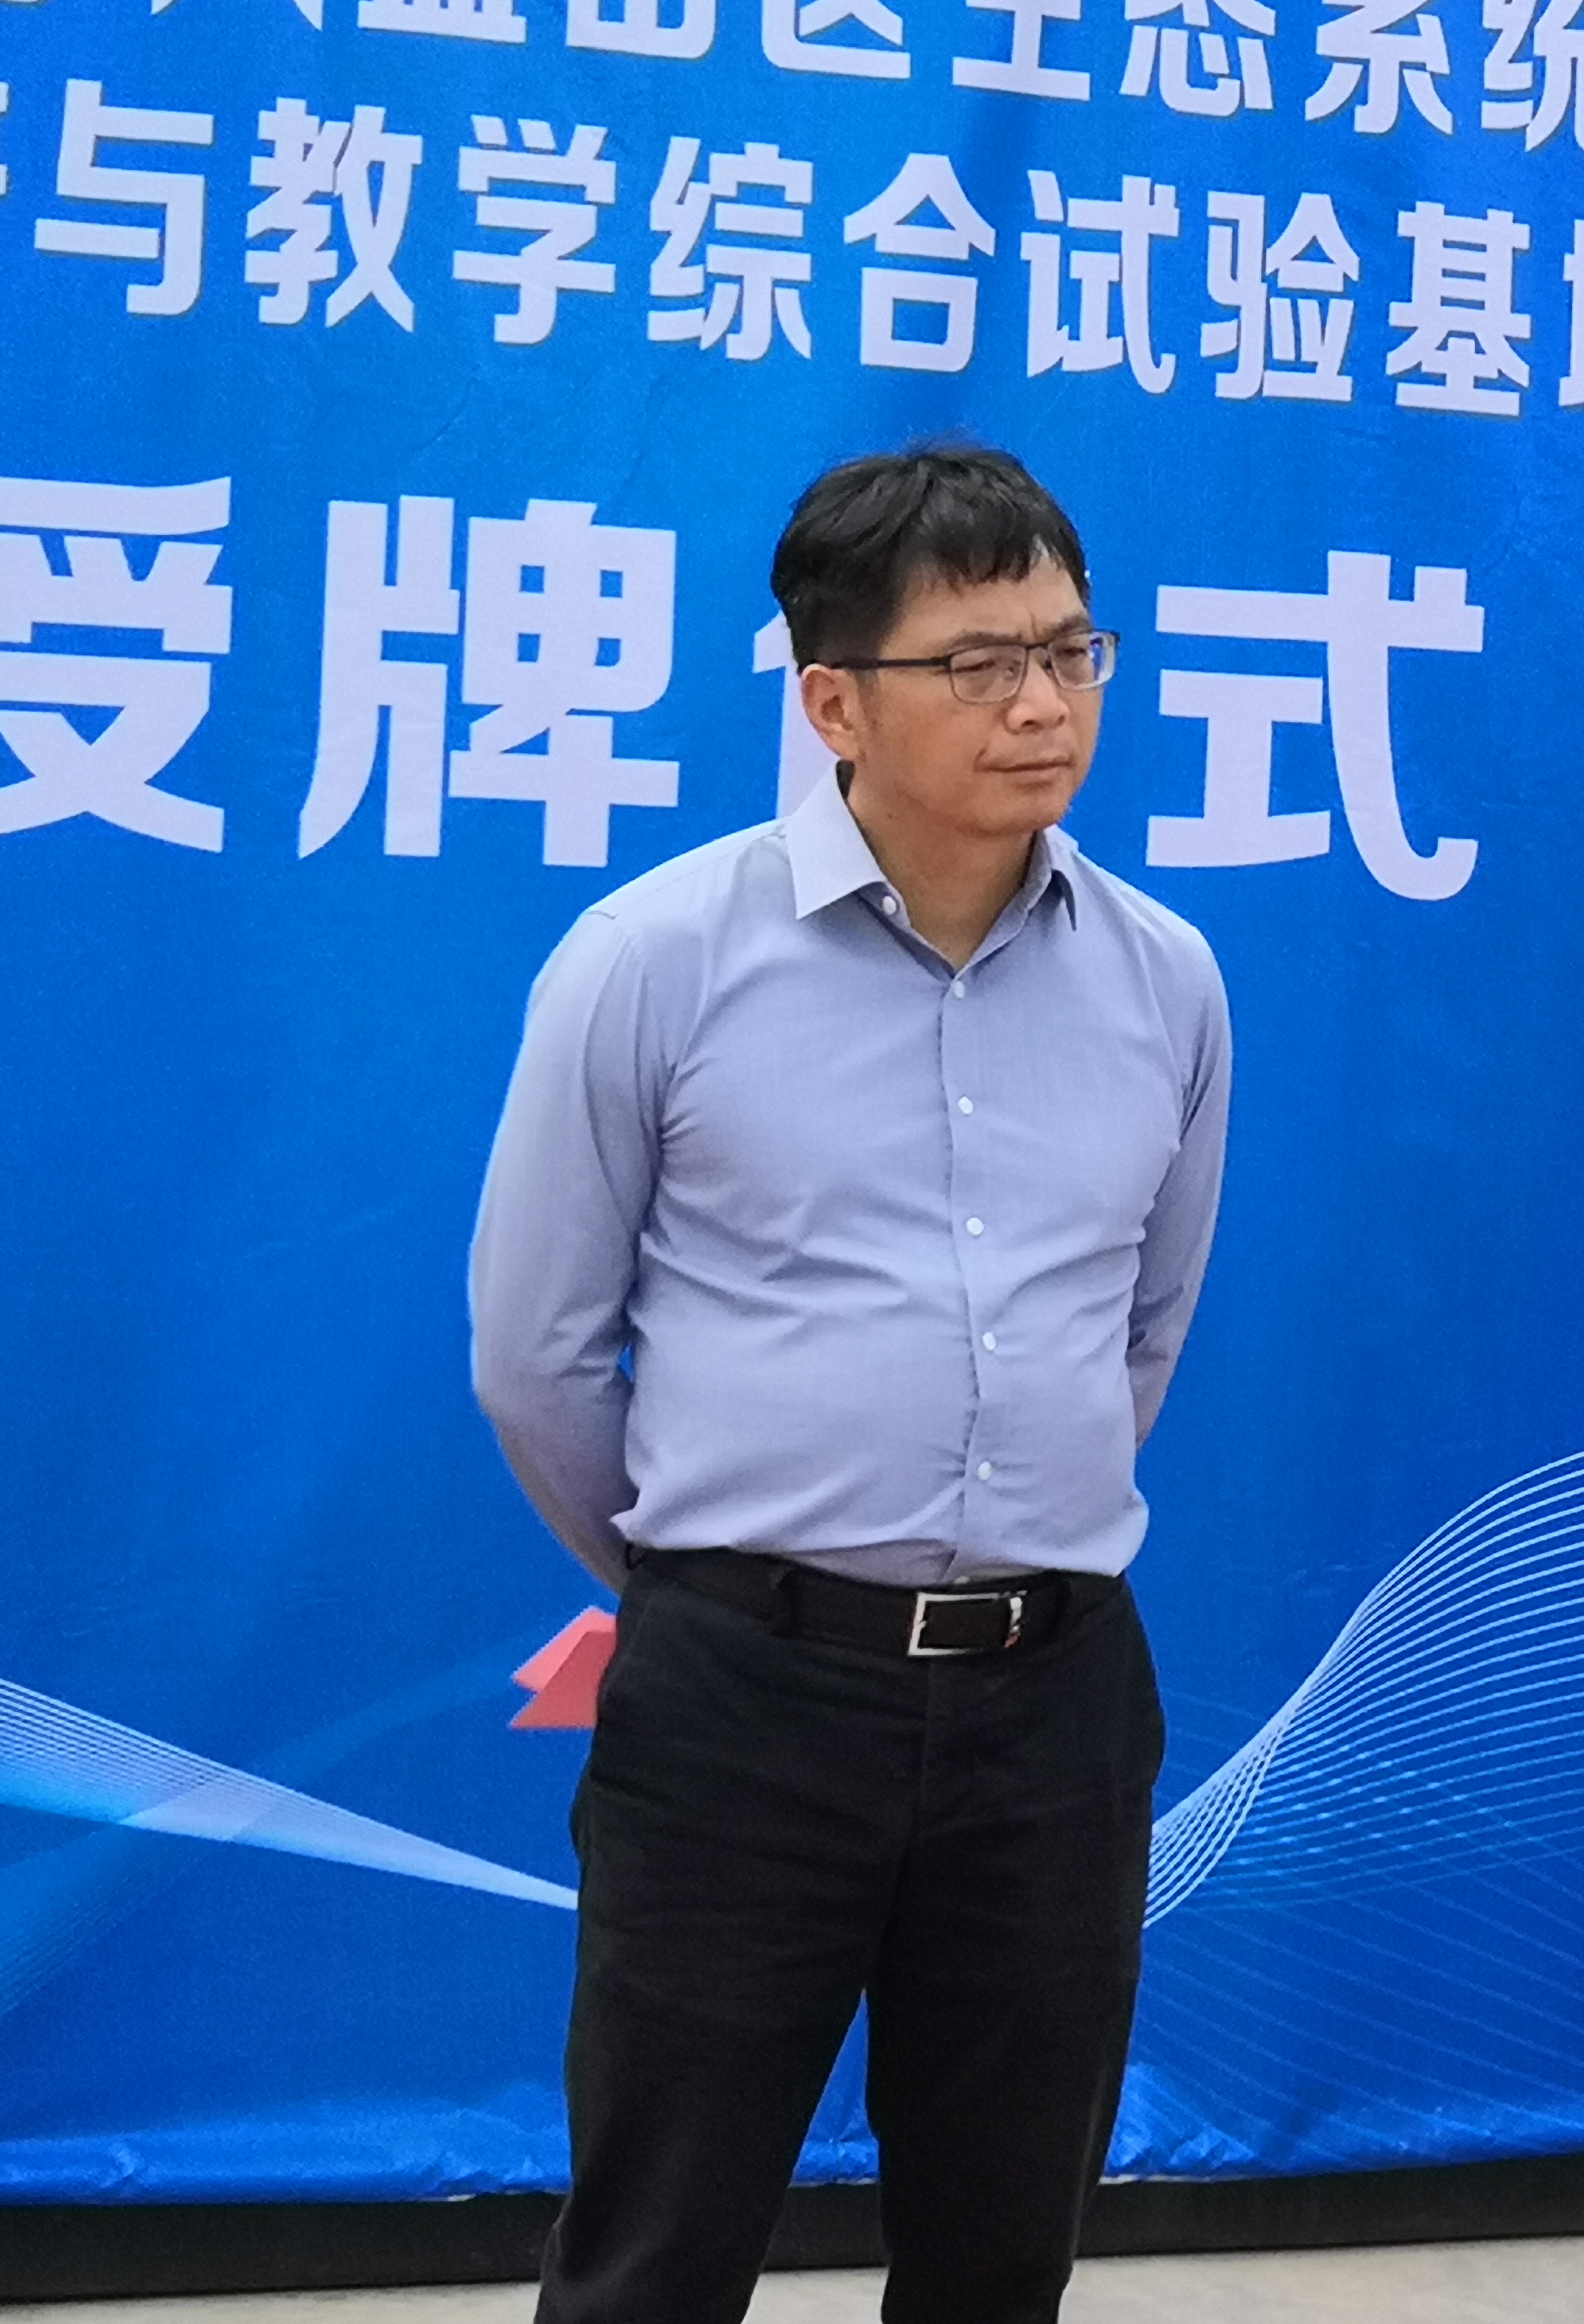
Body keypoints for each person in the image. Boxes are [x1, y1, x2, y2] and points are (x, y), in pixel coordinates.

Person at [470, 443, 1230, 2324]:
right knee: (656, 2251)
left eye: (1070, 650)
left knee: (1001, 2255)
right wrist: (713, 1584)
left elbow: (1141, 1329)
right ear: (832, 704)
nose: (1042, 704)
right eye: (977, 664)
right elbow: (538, 1355)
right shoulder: (652, 961)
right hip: (745, 1709)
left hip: (1055, 1706)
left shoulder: (1168, 981)